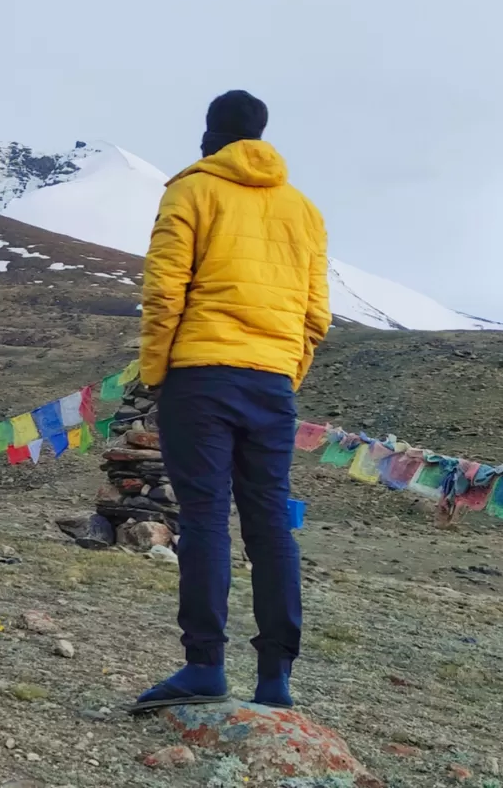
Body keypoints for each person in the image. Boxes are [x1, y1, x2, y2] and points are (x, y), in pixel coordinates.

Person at [130, 90, 330, 712]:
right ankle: (276, 680)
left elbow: (165, 290)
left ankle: (204, 666)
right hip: (271, 382)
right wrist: (285, 373)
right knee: (271, 524)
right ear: (261, 136)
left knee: (207, 519)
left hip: (201, 377)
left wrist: (158, 370)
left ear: (209, 135)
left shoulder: (190, 191)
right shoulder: (304, 210)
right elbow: (316, 315)